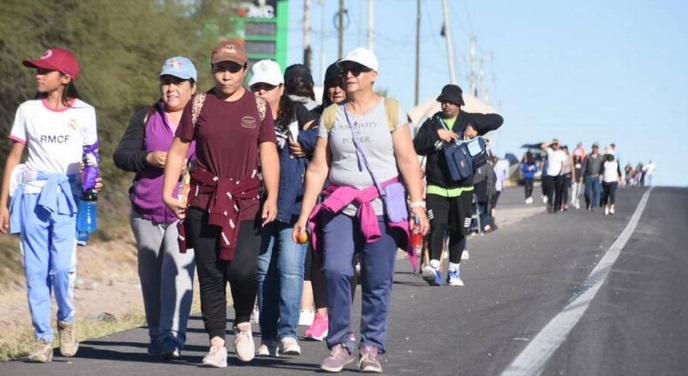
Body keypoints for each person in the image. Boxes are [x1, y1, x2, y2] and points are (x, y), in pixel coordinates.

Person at [292, 47, 429, 373]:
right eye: (346, 69)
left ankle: (371, 347)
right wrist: (303, 216)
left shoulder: (391, 111)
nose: (350, 74)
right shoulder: (331, 116)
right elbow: (317, 168)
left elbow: (408, 161)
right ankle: (340, 344)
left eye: (357, 69)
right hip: (339, 205)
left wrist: (418, 205)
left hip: (382, 207)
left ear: (373, 76)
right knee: (336, 270)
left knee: (377, 278)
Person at [161, 39, 280, 368]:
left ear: (244, 69)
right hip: (204, 197)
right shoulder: (199, 105)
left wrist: (272, 194)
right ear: (212, 69)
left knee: (243, 268)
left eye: (233, 68)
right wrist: (168, 192)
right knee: (210, 272)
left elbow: (268, 152)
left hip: (246, 199)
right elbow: (178, 148)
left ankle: (242, 324)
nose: (226, 75)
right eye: (219, 68)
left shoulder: (258, 108)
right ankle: (215, 342)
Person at [0, 47, 98, 362]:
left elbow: (91, 158)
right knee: (35, 270)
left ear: (65, 78)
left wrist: (91, 181)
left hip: (67, 196)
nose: (38, 75)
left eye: (45, 71)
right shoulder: (27, 109)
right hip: (31, 195)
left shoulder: (84, 112)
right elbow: (14, 157)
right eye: (37, 70)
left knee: (62, 269)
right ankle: (42, 338)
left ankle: (67, 320)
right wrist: (3, 203)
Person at [113, 56, 198, 359]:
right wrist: (148, 158)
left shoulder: (202, 119)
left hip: (184, 211)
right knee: (151, 278)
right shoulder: (146, 115)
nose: (171, 88)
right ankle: (156, 335)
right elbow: (121, 156)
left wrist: (190, 165)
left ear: (193, 87)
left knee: (177, 272)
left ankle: (173, 337)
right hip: (146, 209)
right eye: (166, 81)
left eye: (178, 82)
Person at [248, 59, 316, 357]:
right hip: (257, 205)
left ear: (280, 88)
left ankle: (289, 334)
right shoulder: (247, 117)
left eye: (266, 87)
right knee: (263, 271)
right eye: (256, 87)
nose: (261, 92)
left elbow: (325, 138)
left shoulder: (300, 113)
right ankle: (269, 336)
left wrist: (305, 143)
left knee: (290, 268)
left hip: (294, 204)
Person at [413, 84, 503, 286]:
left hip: (463, 187)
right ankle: (434, 268)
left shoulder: (469, 119)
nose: (446, 105)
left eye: (451, 102)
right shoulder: (432, 122)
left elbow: (498, 120)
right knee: (437, 226)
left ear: (459, 104)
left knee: (459, 230)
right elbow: (416, 145)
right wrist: (438, 135)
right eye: (443, 101)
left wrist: (475, 128)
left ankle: (454, 271)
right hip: (436, 185)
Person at [302, 62, 349, 342]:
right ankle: (321, 317)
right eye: (331, 84)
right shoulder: (314, 118)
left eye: (341, 84)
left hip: (353, 199)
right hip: (321, 197)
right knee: (319, 259)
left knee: (346, 264)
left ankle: (340, 316)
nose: (335, 89)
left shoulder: (363, 117)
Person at [540, 139, 566, 213]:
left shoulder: (562, 153)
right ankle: (550, 204)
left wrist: (562, 170)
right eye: (554, 145)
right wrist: (551, 142)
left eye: (556, 144)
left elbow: (563, 164)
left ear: (559, 145)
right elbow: (542, 146)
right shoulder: (550, 151)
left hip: (559, 174)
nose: (555, 146)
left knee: (558, 191)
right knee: (550, 191)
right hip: (550, 174)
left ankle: (556, 206)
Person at [582, 142, 603, 211]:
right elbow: (584, 167)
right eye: (594, 148)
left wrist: (601, 174)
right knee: (587, 192)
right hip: (588, 176)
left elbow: (602, 167)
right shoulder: (588, 156)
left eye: (596, 148)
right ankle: (588, 202)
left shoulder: (600, 157)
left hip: (596, 177)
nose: (595, 149)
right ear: (592, 148)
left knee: (596, 192)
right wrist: (582, 176)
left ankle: (594, 206)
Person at [600, 151, 622, 215]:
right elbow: (601, 171)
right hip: (605, 180)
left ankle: (612, 207)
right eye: (608, 155)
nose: (609, 157)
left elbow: (619, 171)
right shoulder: (604, 163)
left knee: (612, 194)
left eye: (610, 156)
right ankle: (606, 207)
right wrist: (600, 176)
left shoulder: (616, 163)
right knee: (605, 195)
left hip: (613, 181)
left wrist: (620, 178)